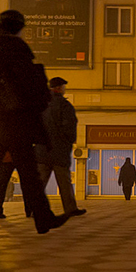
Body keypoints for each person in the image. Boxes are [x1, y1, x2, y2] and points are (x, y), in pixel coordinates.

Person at [0, 9, 68, 238]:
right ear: (18, 28)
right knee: (29, 174)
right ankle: (43, 219)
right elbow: (31, 87)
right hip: (15, 121)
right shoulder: (17, 49)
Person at [35, 77, 85, 217]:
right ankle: (70, 208)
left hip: (42, 150)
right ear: (59, 88)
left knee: (40, 183)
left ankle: (34, 209)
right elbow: (69, 127)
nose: (64, 89)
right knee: (64, 183)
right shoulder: (64, 105)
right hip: (59, 151)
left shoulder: (41, 104)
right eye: (63, 87)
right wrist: (68, 142)